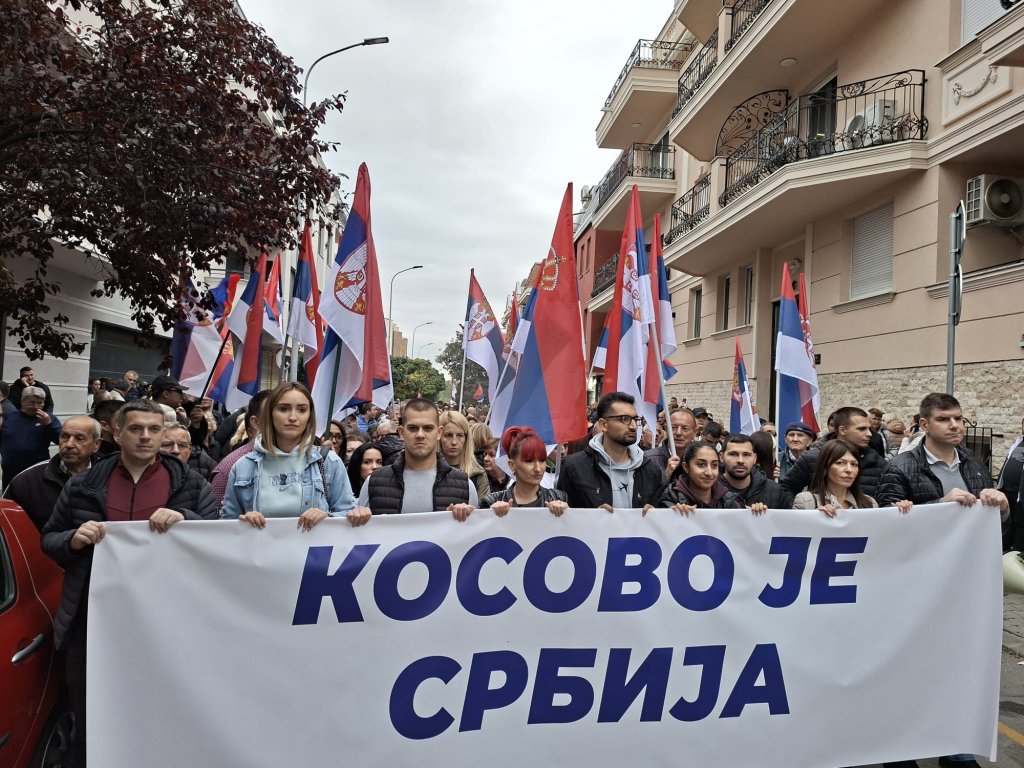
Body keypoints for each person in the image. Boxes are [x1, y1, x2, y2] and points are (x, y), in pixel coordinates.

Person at [41, 399, 218, 766]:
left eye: (154, 429)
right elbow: (50, 539)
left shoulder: (190, 483)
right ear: (117, 433)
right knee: (93, 710)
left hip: (167, 622)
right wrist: (73, 539)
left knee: (161, 708)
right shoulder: (83, 485)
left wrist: (186, 518)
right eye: (136, 429)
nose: (145, 436)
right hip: (94, 623)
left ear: (163, 434)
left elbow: (216, 540)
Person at [875, 393, 1007, 768]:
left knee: (955, 670)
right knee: (909, 671)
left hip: (961, 587)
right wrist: (937, 506)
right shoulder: (901, 468)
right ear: (924, 424)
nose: (955, 426)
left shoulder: (973, 464)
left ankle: (955, 748)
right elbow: (884, 530)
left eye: (959, 419)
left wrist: (1000, 507)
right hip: (914, 591)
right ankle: (899, 751)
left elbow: (991, 529)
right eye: (945, 419)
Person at [221, 382, 368, 530]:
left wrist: (328, 518)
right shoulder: (243, 466)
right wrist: (243, 522)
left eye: (302, 410)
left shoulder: (329, 461)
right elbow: (226, 525)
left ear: (309, 416)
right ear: (270, 414)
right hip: (258, 545)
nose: (292, 417)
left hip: (314, 546)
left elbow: (347, 513)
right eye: (283, 409)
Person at [358, 397, 477, 518]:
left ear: (439, 433)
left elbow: (473, 529)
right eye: (413, 428)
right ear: (401, 433)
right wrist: (356, 518)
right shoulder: (374, 482)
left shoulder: (465, 485)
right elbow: (361, 528)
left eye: (428, 428)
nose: (420, 435)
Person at [556, 391, 664, 512]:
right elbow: (562, 516)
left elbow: (663, 514)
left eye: (635, 419)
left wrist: (667, 511)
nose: (633, 426)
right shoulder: (574, 467)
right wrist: (593, 516)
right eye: (625, 419)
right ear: (603, 425)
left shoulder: (651, 470)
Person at [4, 415, 102, 532]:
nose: (69, 444)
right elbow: (6, 524)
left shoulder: (109, 476)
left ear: (96, 444)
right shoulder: (27, 481)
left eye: (79, 438)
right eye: (64, 436)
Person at [780, 406, 886, 499]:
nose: (869, 434)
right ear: (842, 430)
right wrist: (805, 511)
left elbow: (885, 500)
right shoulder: (813, 458)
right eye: (862, 429)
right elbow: (785, 489)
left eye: (869, 429)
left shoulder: (879, 463)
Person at [793, 439, 912, 517]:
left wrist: (898, 512)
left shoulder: (869, 503)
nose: (849, 470)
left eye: (854, 464)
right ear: (824, 467)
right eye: (840, 463)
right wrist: (816, 519)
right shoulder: (805, 501)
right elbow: (796, 538)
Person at [482, 426, 568, 516]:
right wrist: (490, 515)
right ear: (512, 465)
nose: (538, 468)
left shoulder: (559, 498)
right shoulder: (492, 501)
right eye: (529, 461)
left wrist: (566, 514)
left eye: (542, 460)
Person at [210, 389, 270, 506]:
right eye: (272, 414)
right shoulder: (229, 468)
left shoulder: (302, 460)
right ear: (255, 423)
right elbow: (217, 514)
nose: (290, 417)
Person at [0, 385, 61, 489]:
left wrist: (49, 425)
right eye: (32, 403)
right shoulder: (8, 417)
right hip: (10, 473)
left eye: (40, 403)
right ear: (22, 401)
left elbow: (60, 440)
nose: (36, 406)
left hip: (37, 472)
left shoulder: (49, 418)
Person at [661, 441, 742, 514]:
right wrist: (674, 514)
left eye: (714, 465)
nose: (709, 472)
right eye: (701, 464)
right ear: (686, 467)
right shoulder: (670, 501)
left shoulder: (730, 502)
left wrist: (749, 515)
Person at [720, 435, 792, 510]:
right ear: (721, 457)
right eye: (733, 454)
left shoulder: (775, 491)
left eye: (746, 455)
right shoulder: (713, 490)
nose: (740, 460)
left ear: (755, 458)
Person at [438, 410, 489, 499]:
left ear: (466, 438)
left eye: (460, 435)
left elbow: (484, 506)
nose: (454, 442)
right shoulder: (426, 470)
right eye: (448, 435)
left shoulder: (477, 474)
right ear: (439, 436)